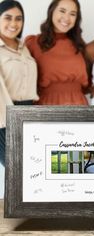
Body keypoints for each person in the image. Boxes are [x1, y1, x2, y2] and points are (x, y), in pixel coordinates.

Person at [26, 0, 89, 105]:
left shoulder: (80, 45)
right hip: (47, 106)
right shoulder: (33, 43)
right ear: (52, 11)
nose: (67, 18)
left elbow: (88, 83)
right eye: (62, 11)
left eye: (72, 14)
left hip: (78, 106)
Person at [0, 0, 38, 166]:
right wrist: (10, 120)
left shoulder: (24, 47)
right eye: (7, 18)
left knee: (30, 169)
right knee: (14, 168)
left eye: (18, 18)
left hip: (28, 113)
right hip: (5, 117)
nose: (13, 23)